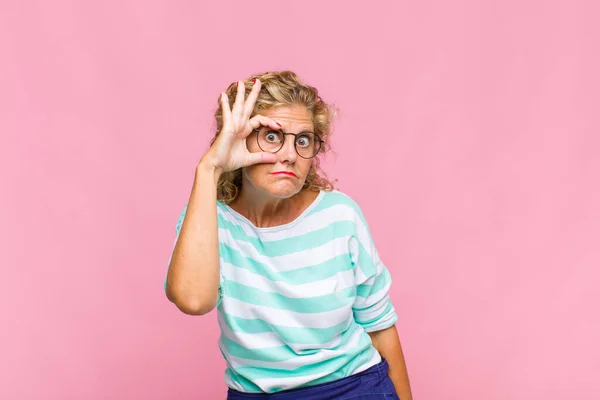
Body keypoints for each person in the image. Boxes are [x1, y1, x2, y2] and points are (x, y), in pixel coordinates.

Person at [165, 71, 412, 400]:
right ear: (238, 139)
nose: (290, 154)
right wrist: (210, 167)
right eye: (271, 136)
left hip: (355, 389)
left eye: (303, 140)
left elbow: (380, 327)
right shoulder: (209, 219)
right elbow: (193, 300)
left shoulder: (340, 215)